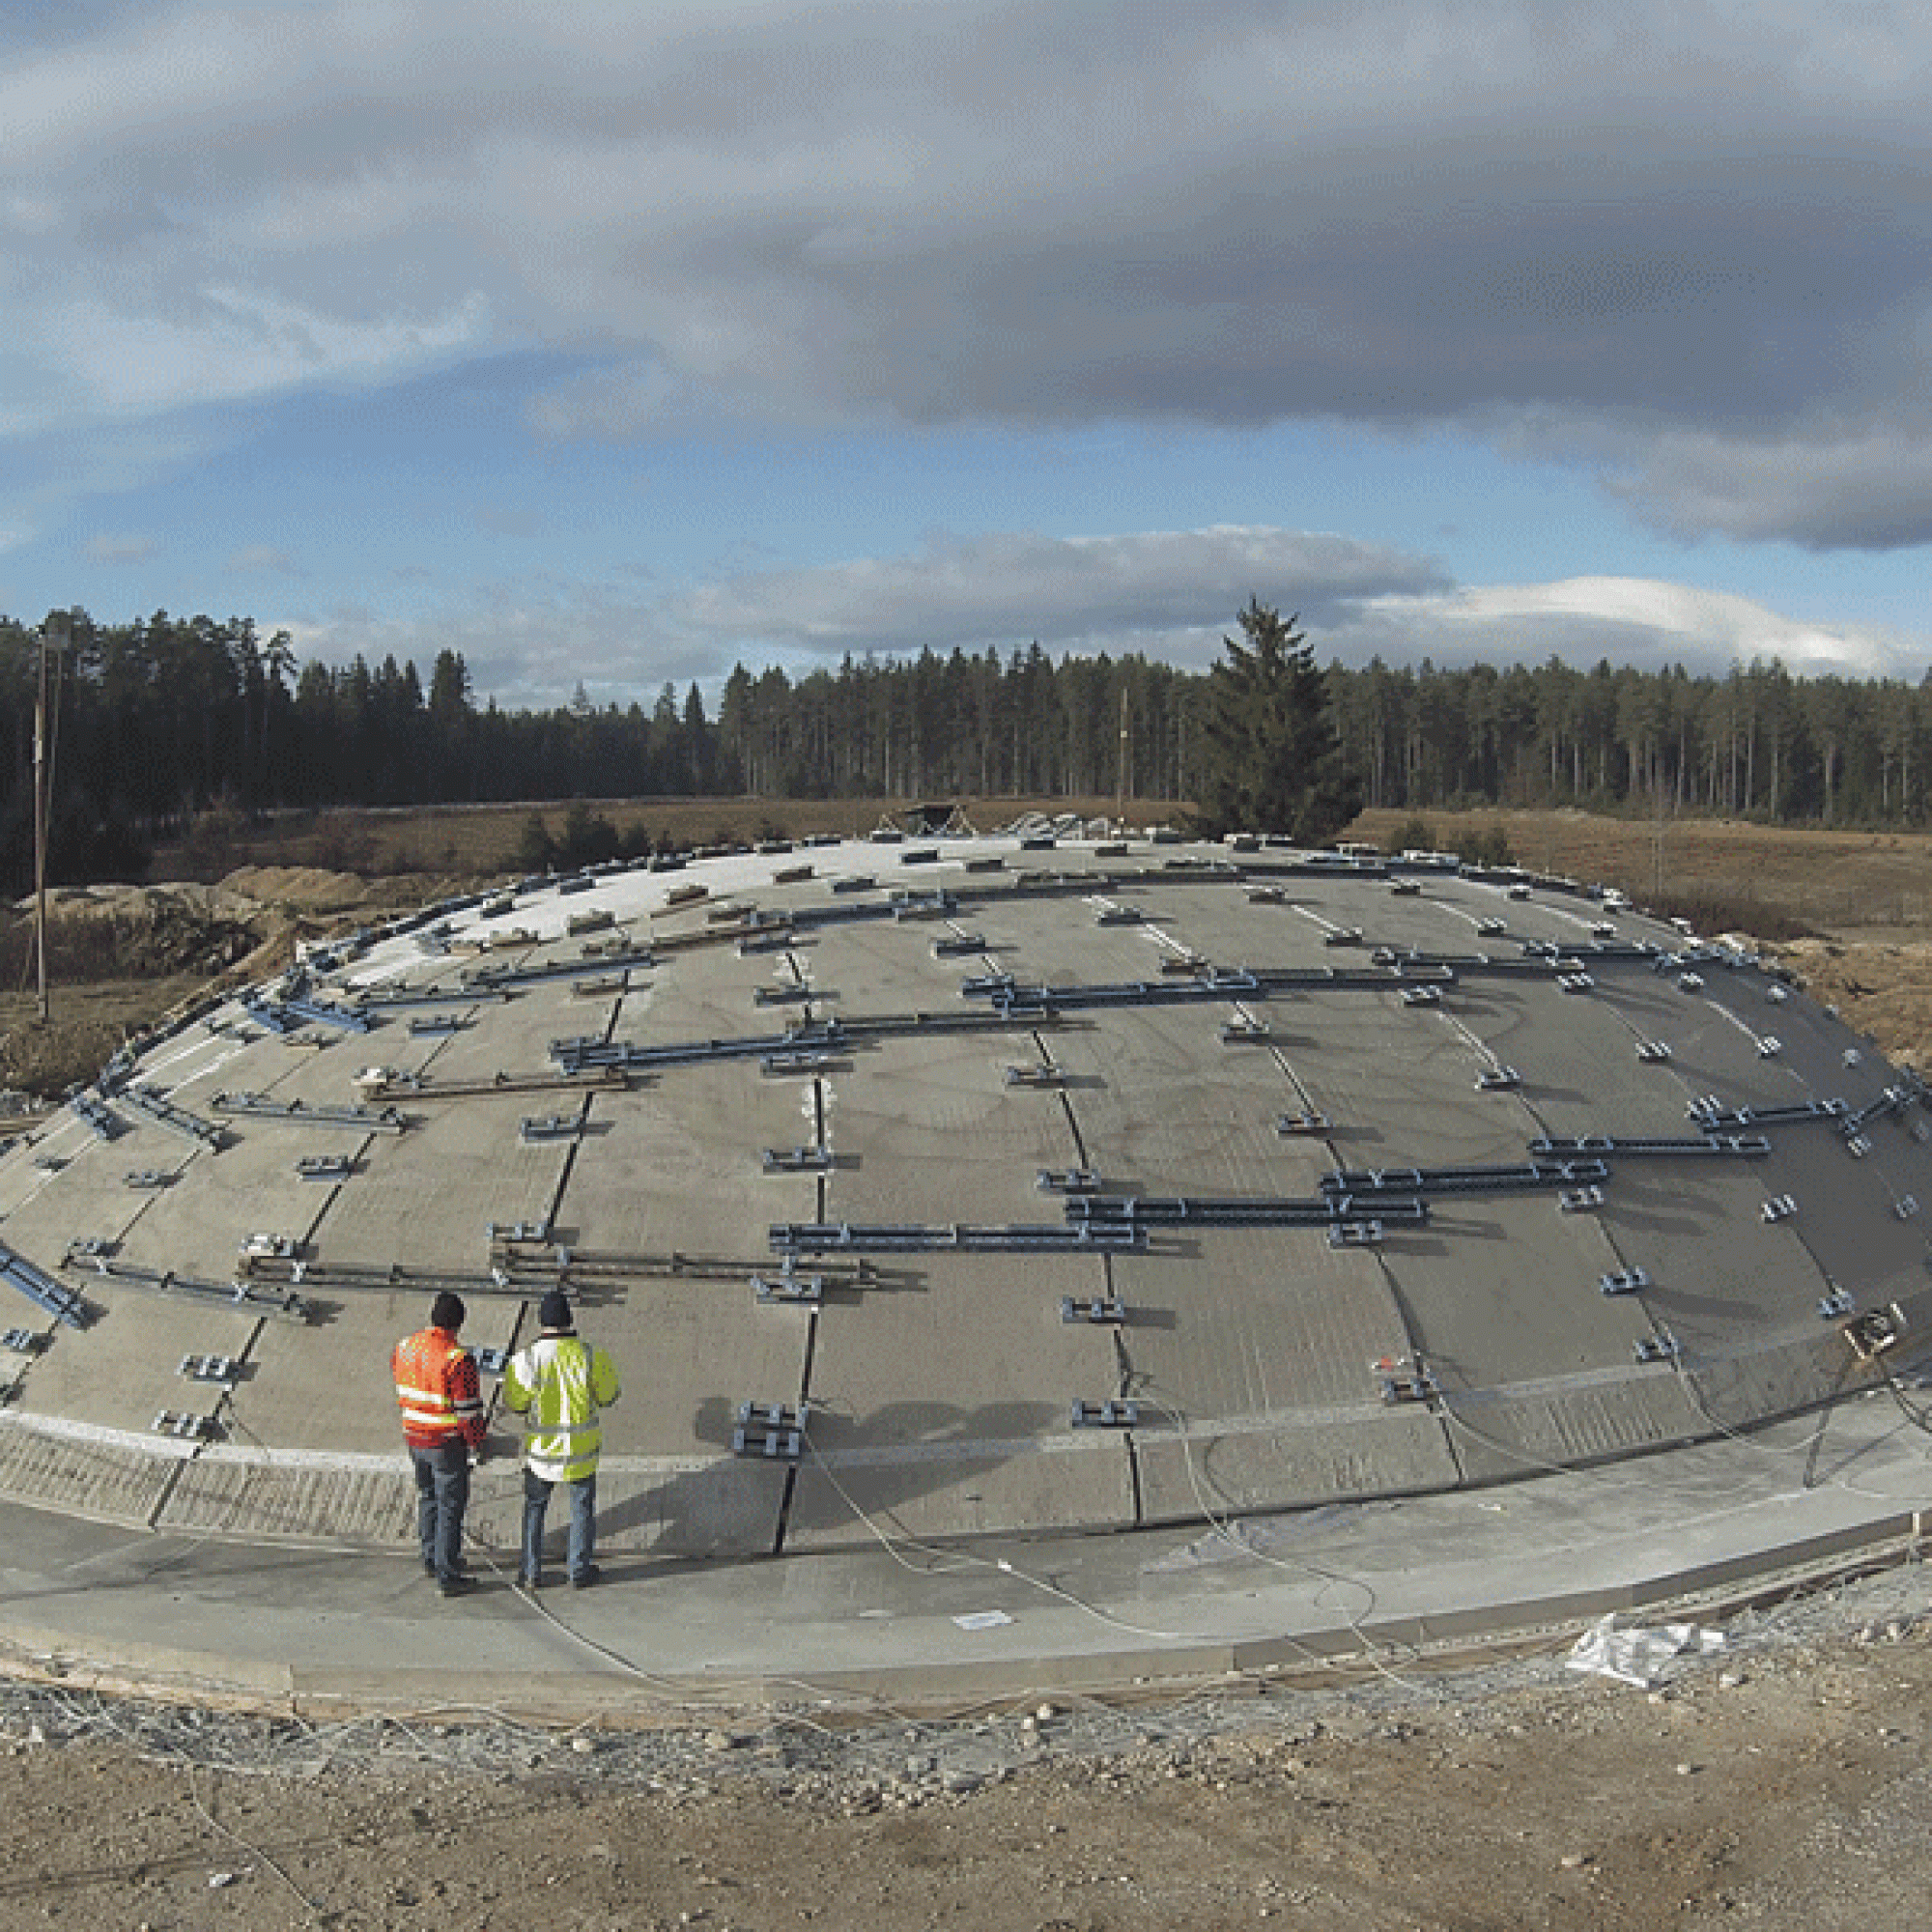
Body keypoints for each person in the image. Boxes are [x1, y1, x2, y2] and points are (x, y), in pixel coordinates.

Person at [502, 1290, 621, 1589]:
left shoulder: (526, 1360)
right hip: (581, 1454)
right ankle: (578, 1571)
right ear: (570, 1318)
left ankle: (530, 1572)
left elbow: (516, 1404)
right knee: (581, 1509)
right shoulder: (591, 1355)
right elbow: (608, 1397)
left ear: (541, 1322)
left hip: (541, 1456)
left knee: (534, 1509)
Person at [392, 1291, 488, 1599]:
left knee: (428, 1497)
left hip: (413, 1438)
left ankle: (432, 1558)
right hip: (445, 1443)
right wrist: (477, 1442)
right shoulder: (458, 1359)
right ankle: (448, 1574)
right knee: (450, 1506)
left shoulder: (405, 1347)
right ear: (459, 1323)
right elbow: (468, 1413)